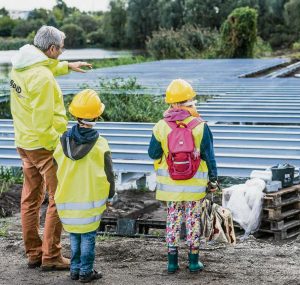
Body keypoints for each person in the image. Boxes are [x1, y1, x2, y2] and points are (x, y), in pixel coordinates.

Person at [10, 25, 92, 270]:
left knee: (31, 199)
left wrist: (67, 66)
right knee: (59, 198)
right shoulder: (43, 79)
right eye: (62, 49)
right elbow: (43, 122)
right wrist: (57, 149)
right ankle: (52, 256)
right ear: (52, 48)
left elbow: (42, 66)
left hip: (23, 142)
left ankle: (34, 253)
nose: (63, 51)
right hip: (42, 145)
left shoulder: (20, 65)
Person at [148, 79, 218, 274]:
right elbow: (210, 157)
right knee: (193, 220)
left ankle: (172, 263)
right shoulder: (200, 126)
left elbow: (153, 154)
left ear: (171, 103)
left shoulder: (160, 126)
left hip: (170, 187)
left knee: (173, 220)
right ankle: (194, 262)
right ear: (190, 101)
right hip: (194, 187)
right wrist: (213, 180)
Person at [54, 89, 115, 283]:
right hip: (90, 201)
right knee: (88, 237)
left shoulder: (61, 142)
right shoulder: (101, 144)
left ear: (74, 114)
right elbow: (109, 174)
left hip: (66, 199)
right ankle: (85, 272)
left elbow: (56, 168)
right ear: (97, 115)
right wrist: (111, 195)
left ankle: (74, 270)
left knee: (74, 236)